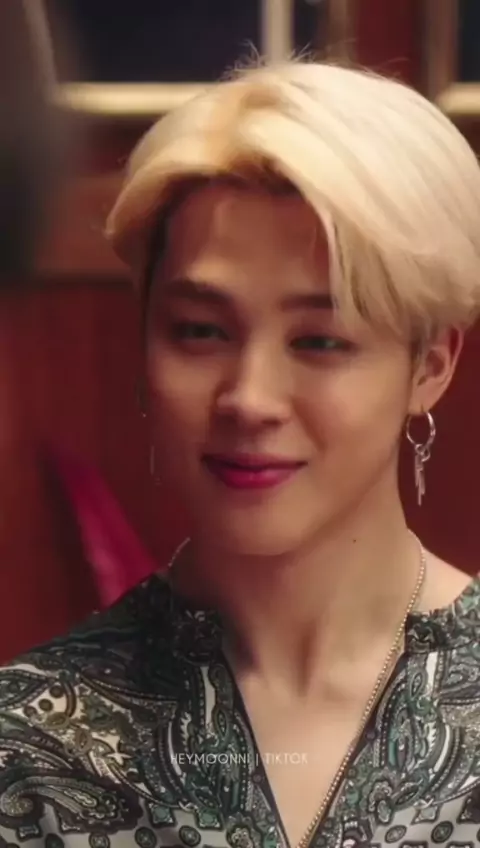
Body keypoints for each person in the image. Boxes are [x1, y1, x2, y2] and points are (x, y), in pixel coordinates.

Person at [2, 58, 480, 848]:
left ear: (430, 365)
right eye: (201, 331)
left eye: (319, 340)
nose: (249, 398)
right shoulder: (29, 743)